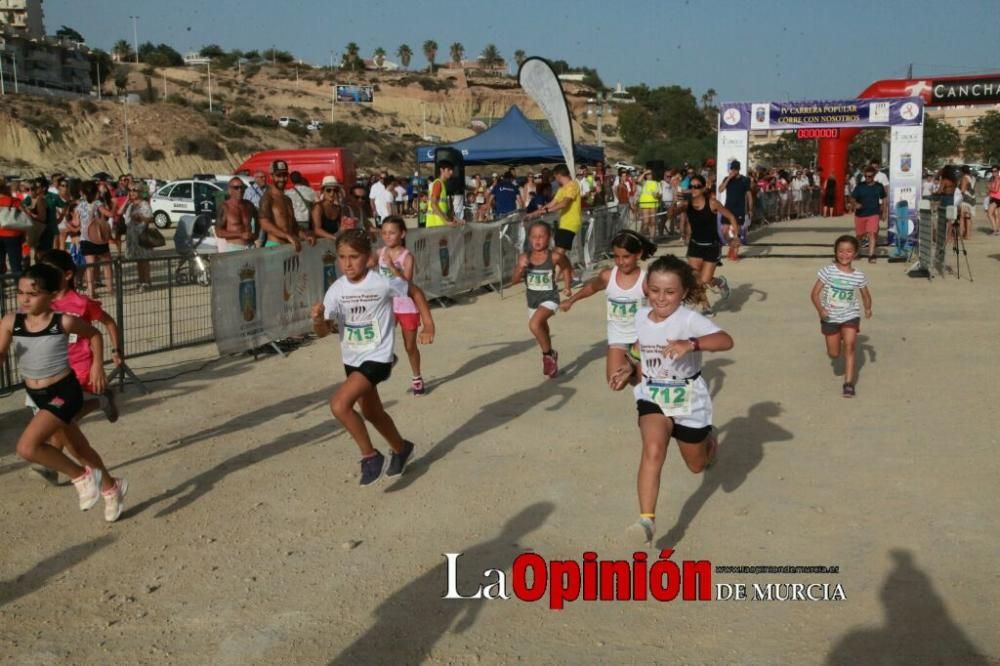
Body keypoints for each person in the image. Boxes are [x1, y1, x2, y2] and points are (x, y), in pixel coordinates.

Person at [608, 255, 732, 546]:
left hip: (688, 399)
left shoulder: (688, 319)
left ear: (684, 292)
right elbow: (640, 348)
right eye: (654, 290)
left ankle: (709, 444)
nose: (661, 298)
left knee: (697, 466)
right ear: (646, 289)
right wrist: (629, 366)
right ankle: (646, 520)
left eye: (670, 292)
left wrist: (691, 344)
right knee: (653, 448)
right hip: (653, 394)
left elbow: (725, 340)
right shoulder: (640, 316)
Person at [0, 263, 128, 521]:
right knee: (78, 448)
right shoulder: (11, 321)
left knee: (27, 447)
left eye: (32, 294)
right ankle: (111, 488)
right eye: (20, 292)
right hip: (38, 394)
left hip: (63, 392)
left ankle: (81, 477)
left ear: (51, 296)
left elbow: (94, 335)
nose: (24, 299)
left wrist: (97, 367)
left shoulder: (63, 321)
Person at [310, 229, 435, 486]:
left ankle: (370, 456)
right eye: (342, 257)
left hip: (378, 357)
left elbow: (415, 292)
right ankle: (401, 449)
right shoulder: (336, 289)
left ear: (368, 258)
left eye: (354, 257)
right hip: (352, 359)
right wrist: (317, 320)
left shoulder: (381, 281)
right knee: (372, 411)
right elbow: (324, 332)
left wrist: (429, 324)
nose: (347, 263)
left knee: (339, 405)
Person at [560, 229, 657, 383]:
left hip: (640, 339)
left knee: (644, 385)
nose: (621, 262)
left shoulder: (646, 280)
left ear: (638, 255)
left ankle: (634, 369)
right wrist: (571, 300)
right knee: (615, 383)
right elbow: (591, 288)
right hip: (618, 337)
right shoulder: (607, 276)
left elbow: (659, 307)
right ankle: (630, 368)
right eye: (616, 257)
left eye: (626, 257)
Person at [810, 235, 872, 398]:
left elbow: (865, 294)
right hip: (830, 317)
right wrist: (820, 310)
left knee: (850, 346)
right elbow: (814, 294)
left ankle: (848, 384)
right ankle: (840, 340)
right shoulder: (828, 271)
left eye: (849, 251)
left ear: (856, 253)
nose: (845, 255)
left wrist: (867, 308)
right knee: (834, 354)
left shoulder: (858, 275)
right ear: (836, 252)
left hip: (850, 314)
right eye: (841, 251)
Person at [510, 221, 573, 379]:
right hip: (532, 300)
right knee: (541, 328)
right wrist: (520, 268)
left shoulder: (555, 256)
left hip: (550, 298)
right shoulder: (525, 257)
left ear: (549, 238)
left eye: (541, 236)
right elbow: (514, 280)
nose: (537, 240)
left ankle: (547, 356)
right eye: (533, 237)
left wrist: (567, 286)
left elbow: (566, 267)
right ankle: (552, 354)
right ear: (529, 238)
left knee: (534, 324)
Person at [374, 216, 426, 395]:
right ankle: (389, 358)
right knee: (379, 338)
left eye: (392, 233)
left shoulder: (407, 255)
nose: (387, 236)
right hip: (386, 304)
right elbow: (365, 266)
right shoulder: (380, 252)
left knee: (410, 346)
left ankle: (417, 376)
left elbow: (407, 282)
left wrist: (392, 267)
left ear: (402, 234)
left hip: (406, 305)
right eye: (384, 233)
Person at [682, 174, 734, 316]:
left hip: (711, 245)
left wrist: (734, 236)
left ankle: (720, 282)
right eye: (691, 186)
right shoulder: (687, 204)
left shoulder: (712, 203)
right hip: (695, 245)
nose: (694, 189)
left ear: (704, 188)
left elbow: (730, 216)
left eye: (697, 186)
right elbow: (675, 215)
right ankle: (706, 306)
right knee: (695, 279)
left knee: (705, 280)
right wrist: (673, 208)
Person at [525, 164, 580, 268]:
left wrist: (546, 210)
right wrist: (533, 214)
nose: (555, 179)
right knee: (558, 254)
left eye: (555, 177)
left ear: (558, 175)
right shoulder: (562, 189)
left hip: (570, 223)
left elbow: (564, 203)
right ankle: (571, 275)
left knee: (557, 255)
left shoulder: (572, 185)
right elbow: (551, 204)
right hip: (563, 223)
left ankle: (553, 276)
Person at [258, 160, 314, 250]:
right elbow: (264, 223)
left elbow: (294, 225)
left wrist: (305, 236)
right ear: (271, 176)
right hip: (274, 246)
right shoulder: (267, 197)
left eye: (284, 175)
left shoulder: (287, 199)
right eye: (278, 176)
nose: (282, 179)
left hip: (288, 247)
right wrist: (287, 235)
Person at [121, 183, 155, 290]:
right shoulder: (131, 205)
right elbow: (119, 212)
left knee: (144, 260)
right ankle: (141, 280)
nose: (132, 192)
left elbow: (150, 219)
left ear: (140, 192)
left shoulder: (144, 204)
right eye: (130, 190)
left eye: (134, 190)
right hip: (132, 236)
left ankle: (146, 281)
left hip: (142, 235)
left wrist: (140, 217)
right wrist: (127, 200)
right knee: (138, 260)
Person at [851, 166, 887, 264]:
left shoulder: (879, 186)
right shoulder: (860, 186)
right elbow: (852, 198)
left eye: (870, 176)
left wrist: (884, 211)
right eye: (866, 176)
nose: (867, 178)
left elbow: (884, 198)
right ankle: (857, 252)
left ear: (874, 176)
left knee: (872, 233)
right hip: (860, 214)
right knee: (859, 235)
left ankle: (871, 255)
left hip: (873, 213)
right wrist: (855, 204)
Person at [719, 160, 752, 257]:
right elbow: (720, 190)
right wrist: (729, 178)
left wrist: (750, 209)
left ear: (739, 169)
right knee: (724, 231)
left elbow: (749, 196)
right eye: (733, 169)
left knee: (736, 232)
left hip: (739, 209)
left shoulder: (745, 180)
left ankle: (734, 253)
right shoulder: (727, 179)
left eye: (736, 169)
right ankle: (731, 245)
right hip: (728, 208)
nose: (734, 171)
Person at [216, 178, 258, 252]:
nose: (240, 190)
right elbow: (219, 232)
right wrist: (240, 235)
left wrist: (256, 234)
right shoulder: (225, 207)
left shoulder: (249, 205)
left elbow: (259, 221)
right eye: (236, 188)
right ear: (229, 190)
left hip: (251, 247)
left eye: (242, 187)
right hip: (234, 248)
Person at [426, 162, 460, 228]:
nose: (451, 172)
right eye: (449, 170)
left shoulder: (442, 184)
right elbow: (433, 205)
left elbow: (444, 209)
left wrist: (456, 219)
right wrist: (445, 222)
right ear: (442, 170)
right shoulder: (438, 183)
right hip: (435, 226)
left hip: (439, 225)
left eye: (452, 170)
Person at [312, 176, 344, 240]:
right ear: (323, 191)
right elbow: (317, 230)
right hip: (319, 244)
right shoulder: (318, 207)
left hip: (332, 243)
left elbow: (340, 227)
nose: (332, 193)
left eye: (335, 190)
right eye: (328, 190)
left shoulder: (338, 208)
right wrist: (334, 237)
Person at [637, 170, 661, 239]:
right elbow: (638, 181)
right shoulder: (644, 182)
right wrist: (644, 173)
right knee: (646, 222)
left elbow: (660, 195)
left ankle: (652, 238)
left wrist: (657, 195)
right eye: (647, 174)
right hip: (645, 204)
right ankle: (642, 237)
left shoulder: (657, 183)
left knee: (653, 222)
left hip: (653, 204)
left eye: (650, 174)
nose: (649, 175)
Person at [957, 166, 974, 241]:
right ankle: (968, 235)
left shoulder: (964, 178)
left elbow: (963, 190)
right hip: (971, 198)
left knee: (962, 217)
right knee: (968, 217)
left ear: (962, 171)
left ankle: (961, 234)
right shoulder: (971, 177)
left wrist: (957, 190)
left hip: (965, 198)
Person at [986, 166, 1000, 236]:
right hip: (995, 198)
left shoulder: (997, 179)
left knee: (989, 213)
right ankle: (997, 230)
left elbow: (996, 190)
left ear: (998, 171)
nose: (993, 172)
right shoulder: (993, 179)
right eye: (992, 171)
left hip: (996, 198)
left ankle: (995, 230)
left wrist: (989, 188)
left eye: (995, 171)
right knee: (996, 214)